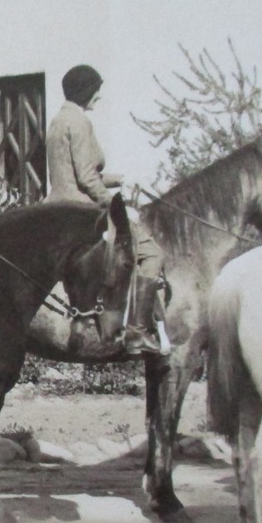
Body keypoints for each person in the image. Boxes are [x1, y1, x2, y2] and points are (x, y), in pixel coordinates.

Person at [43, 64, 165, 355]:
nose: (99, 97)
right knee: (152, 254)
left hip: (57, 207)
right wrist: (118, 208)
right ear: (87, 90)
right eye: (97, 90)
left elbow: (75, 173)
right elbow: (87, 179)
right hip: (82, 212)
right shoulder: (81, 123)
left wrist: (122, 180)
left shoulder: (59, 120)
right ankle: (136, 332)